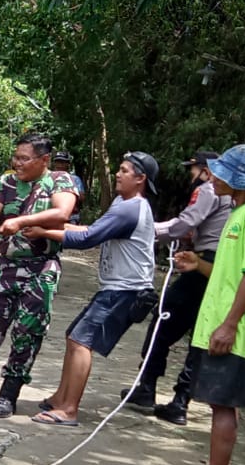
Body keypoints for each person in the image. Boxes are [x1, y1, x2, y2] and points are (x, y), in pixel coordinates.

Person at [166, 144, 245, 465]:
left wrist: (229, 325)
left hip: (233, 328)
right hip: (219, 322)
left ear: (238, 179)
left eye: (220, 171)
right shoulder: (240, 212)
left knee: (223, 405)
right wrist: (197, 264)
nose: (212, 176)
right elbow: (231, 273)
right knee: (219, 403)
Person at [0, 134, 78, 418]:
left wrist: (21, 220)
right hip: (6, 266)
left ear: (44, 160)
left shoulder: (59, 181)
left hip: (41, 267)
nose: (17, 163)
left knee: (28, 332)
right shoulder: (5, 183)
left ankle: (9, 394)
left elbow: (62, 212)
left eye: (24, 158)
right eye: (15, 157)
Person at [32, 152, 161, 427]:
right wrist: (52, 225)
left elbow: (86, 239)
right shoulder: (122, 203)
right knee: (73, 337)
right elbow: (93, 228)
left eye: (124, 170)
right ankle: (60, 398)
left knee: (82, 342)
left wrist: (40, 230)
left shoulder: (131, 208)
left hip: (126, 290)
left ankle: (69, 410)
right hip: (116, 287)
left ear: (140, 179)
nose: (117, 173)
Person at [120, 149, 233, 422]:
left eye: (193, 170)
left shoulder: (210, 189)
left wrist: (147, 231)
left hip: (204, 264)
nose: (190, 176)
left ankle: (147, 386)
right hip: (223, 268)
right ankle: (181, 401)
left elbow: (187, 223)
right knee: (201, 335)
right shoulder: (237, 198)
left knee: (162, 318)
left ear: (206, 169)